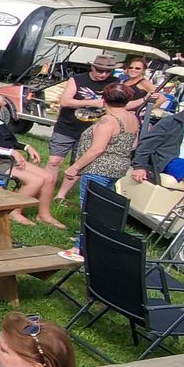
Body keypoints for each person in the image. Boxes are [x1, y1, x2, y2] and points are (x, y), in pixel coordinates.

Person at [60, 82, 138, 260]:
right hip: (118, 168)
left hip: (99, 168)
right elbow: (133, 144)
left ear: (104, 99)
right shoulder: (132, 118)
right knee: (104, 208)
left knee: (90, 208)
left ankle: (81, 248)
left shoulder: (107, 121)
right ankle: (94, 241)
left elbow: (97, 149)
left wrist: (75, 166)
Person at [0, 91, 65, 229]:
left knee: (48, 177)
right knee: (36, 181)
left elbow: (10, 141)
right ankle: (15, 211)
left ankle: (44, 214)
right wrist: (12, 152)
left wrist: (26, 147)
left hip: (7, 158)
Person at [45, 54, 118, 203]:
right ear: (92, 67)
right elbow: (65, 101)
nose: (103, 74)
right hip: (67, 126)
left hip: (93, 131)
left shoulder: (115, 83)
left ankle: (61, 196)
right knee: (54, 161)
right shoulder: (78, 79)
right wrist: (92, 102)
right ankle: (45, 191)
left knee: (78, 164)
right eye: (100, 70)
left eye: (108, 72)